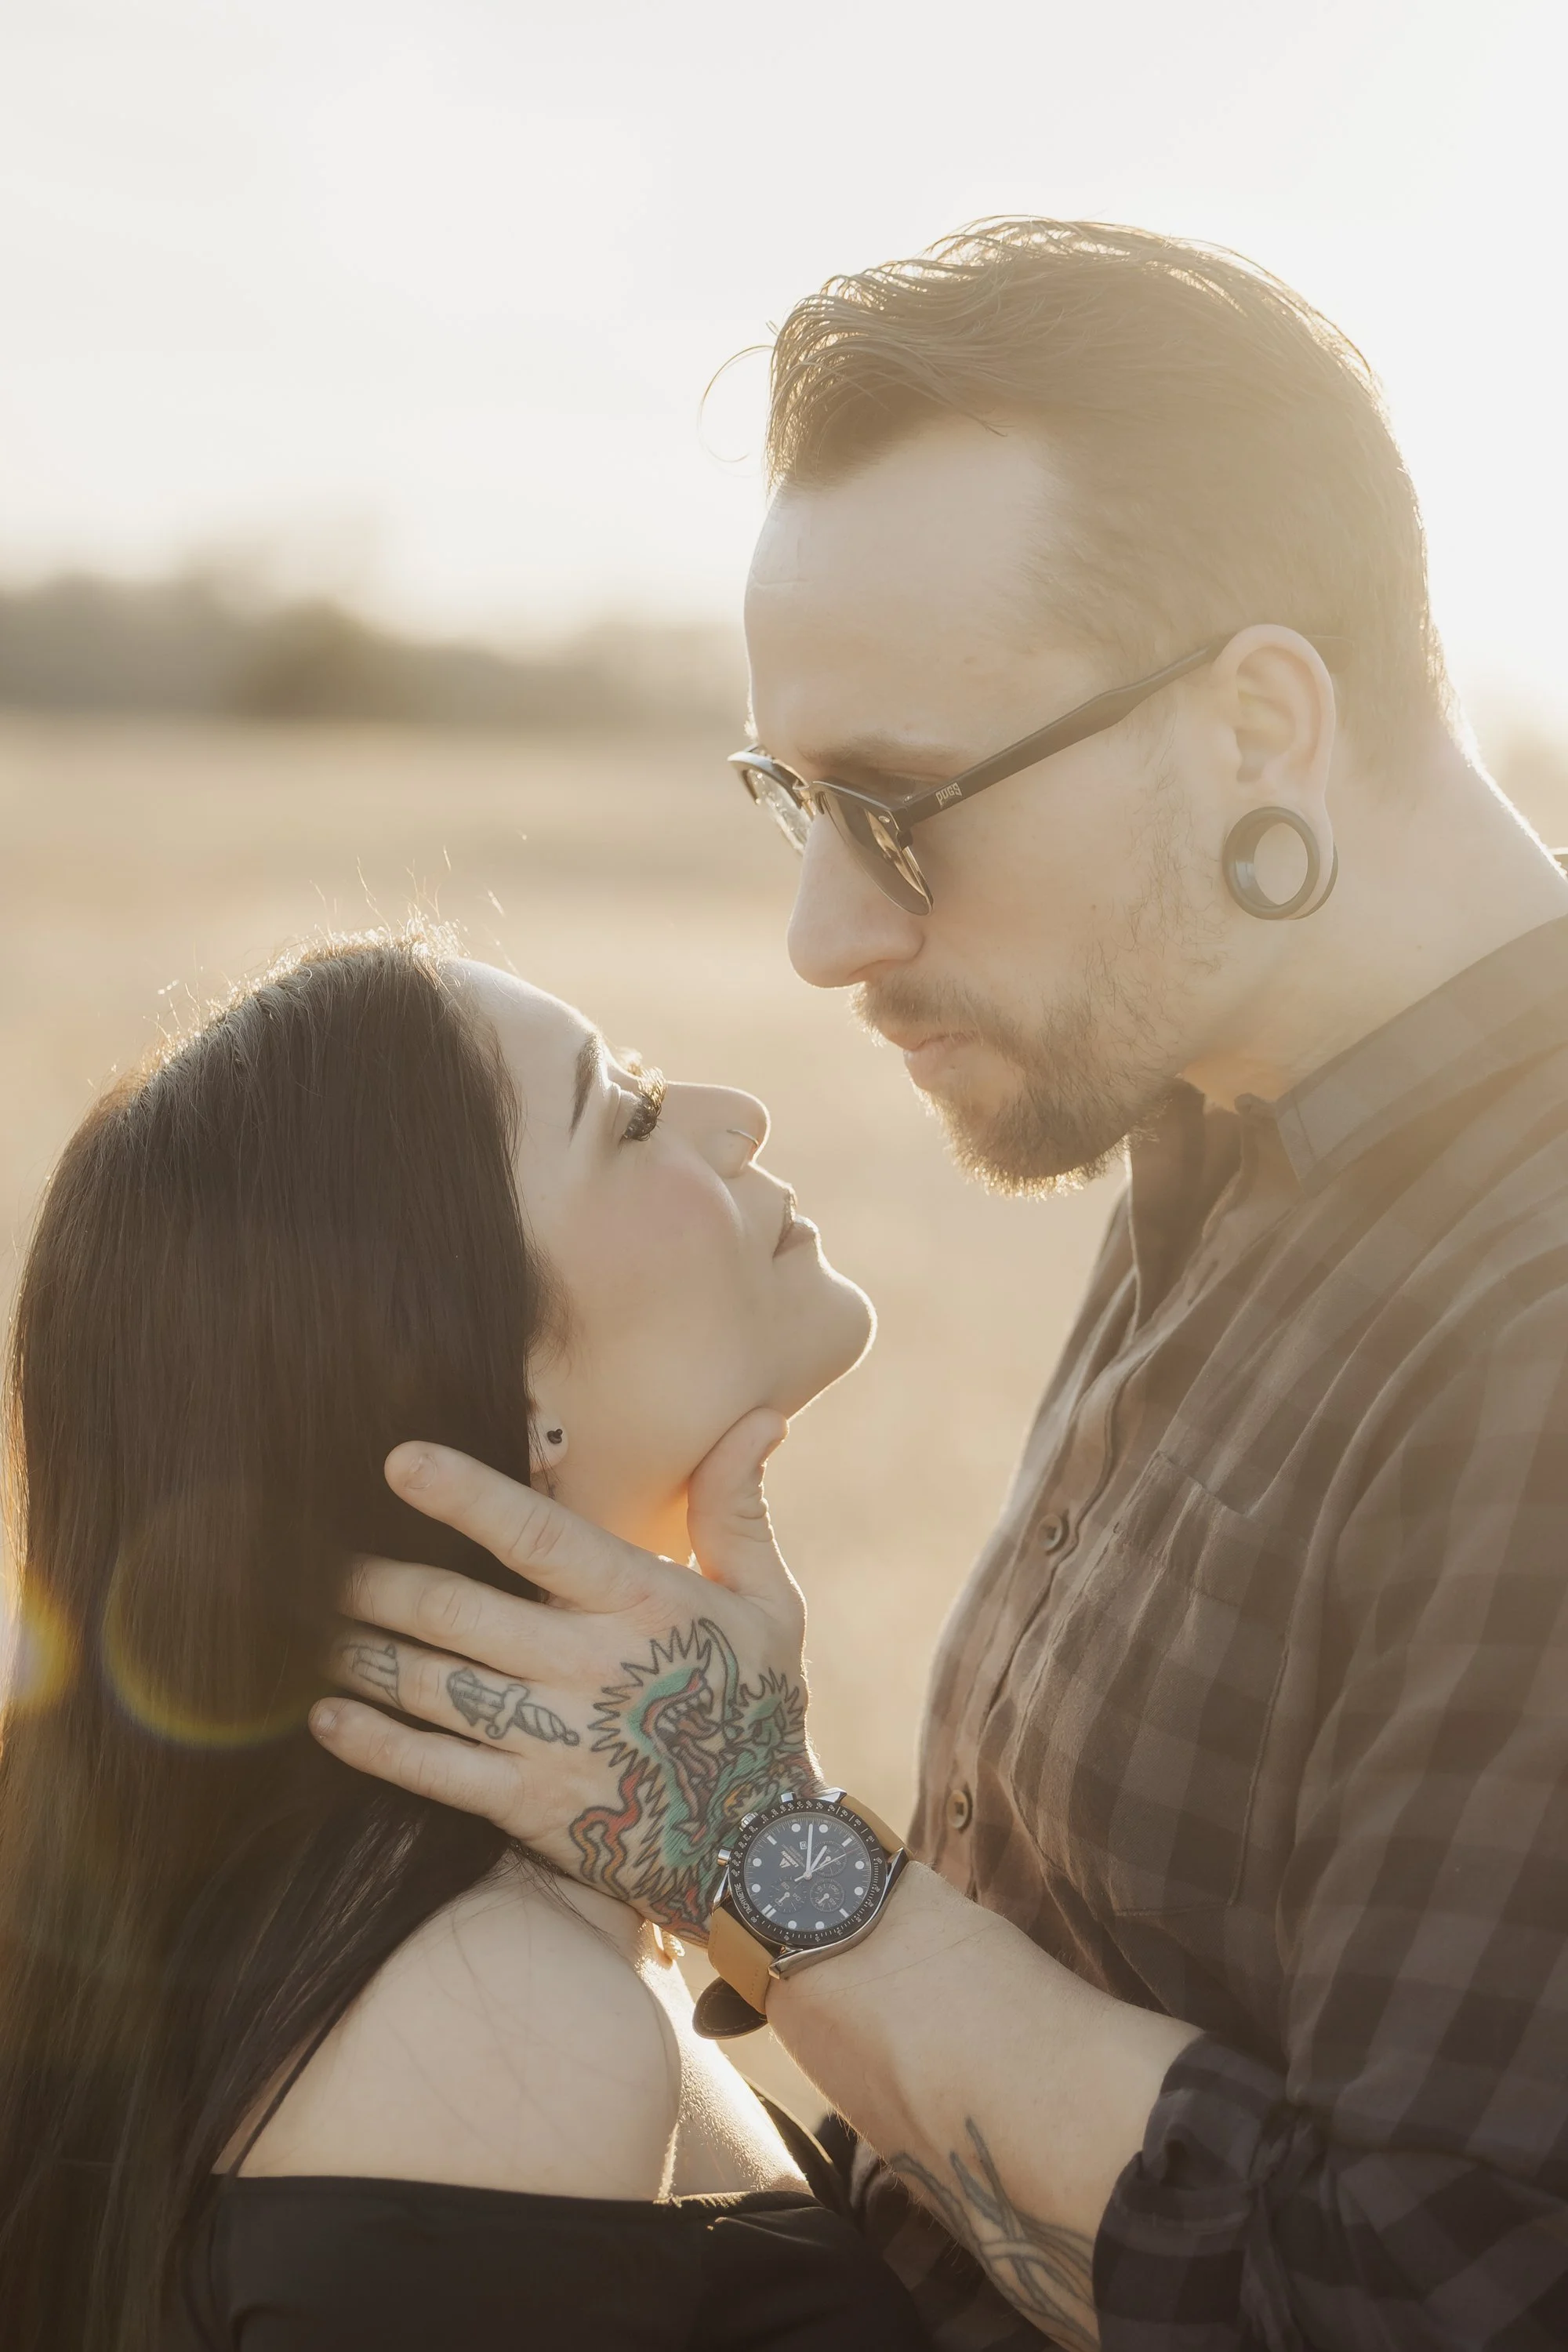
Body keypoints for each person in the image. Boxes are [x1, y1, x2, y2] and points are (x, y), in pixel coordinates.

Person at [316, 220, 1568, 2351]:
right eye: (797, 800)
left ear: (1262, 722)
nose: (825, 933)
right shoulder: (1215, 1118)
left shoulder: (1529, 1325)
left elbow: (1412, 2298)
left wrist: (753, 1840)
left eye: (900, 806)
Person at [0, 927, 930, 2352]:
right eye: (622, 1113)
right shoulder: (497, 2017)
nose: (732, 1119)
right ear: (497, 1389)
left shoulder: (421, 1921)